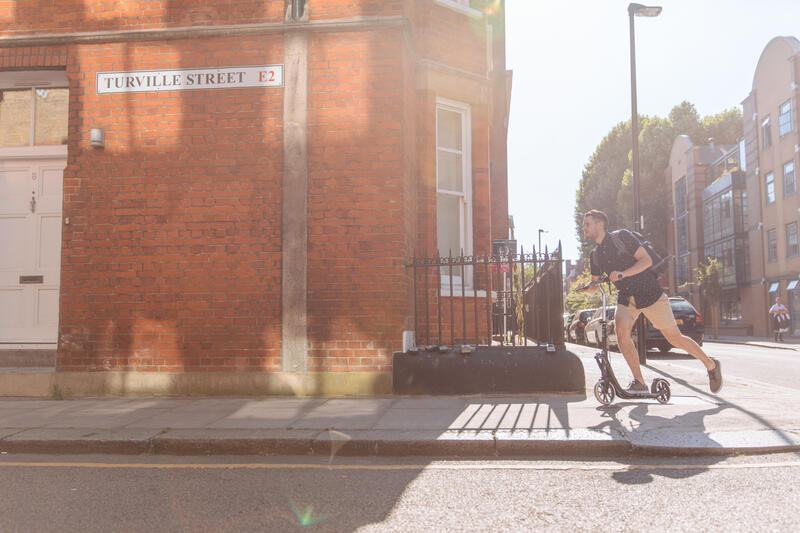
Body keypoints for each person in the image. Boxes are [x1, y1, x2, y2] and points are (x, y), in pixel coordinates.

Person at [578, 210, 722, 394]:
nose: (584, 228)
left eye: (587, 224)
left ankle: (710, 364)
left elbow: (646, 261)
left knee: (674, 338)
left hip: (649, 293)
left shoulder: (621, 237)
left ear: (600, 224)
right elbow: (595, 283)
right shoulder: (596, 254)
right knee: (621, 331)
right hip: (626, 296)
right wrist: (586, 288)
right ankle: (640, 382)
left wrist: (623, 274)